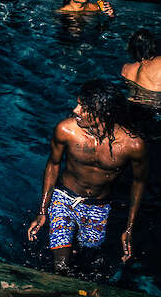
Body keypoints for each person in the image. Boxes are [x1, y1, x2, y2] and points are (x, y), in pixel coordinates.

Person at [27, 80, 147, 275]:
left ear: (104, 113)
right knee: (61, 267)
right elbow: (53, 164)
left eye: (84, 108)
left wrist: (129, 228)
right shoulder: (66, 131)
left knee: (89, 257)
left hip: (99, 205)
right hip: (63, 198)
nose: (75, 110)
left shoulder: (133, 145)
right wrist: (43, 210)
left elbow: (139, 182)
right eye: (78, 104)